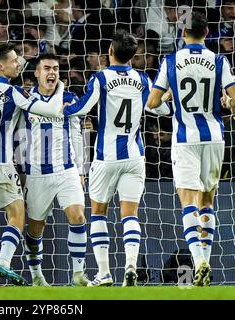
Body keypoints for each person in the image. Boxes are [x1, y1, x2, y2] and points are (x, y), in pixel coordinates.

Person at [146, 11, 235, 286]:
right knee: (207, 203)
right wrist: (227, 103)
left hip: (185, 140)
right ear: (207, 33)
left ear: (182, 33)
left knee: (188, 203)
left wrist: (167, 95)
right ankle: (207, 261)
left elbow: (152, 103)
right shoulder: (218, 60)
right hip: (214, 138)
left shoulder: (171, 61)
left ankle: (198, 260)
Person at [63, 29, 164, 287]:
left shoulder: (101, 78)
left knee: (98, 214)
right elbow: (159, 108)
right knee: (130, 214)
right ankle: (131, 265)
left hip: (106, 158)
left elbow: (83, 108)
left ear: (110, 52)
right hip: (134, 156)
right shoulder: (143, 79)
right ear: (133, 56)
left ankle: (105, 273)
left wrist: (63, 109)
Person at [0, 42, 65, 286]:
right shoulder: (14, 92)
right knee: (17, 215)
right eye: (13, 61)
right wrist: (60, 86)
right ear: (0, 66)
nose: (18, 64)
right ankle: (4, 262)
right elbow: (51, 109)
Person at [22, 53, 88, 287]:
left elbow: (79, 134)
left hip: (66, 170)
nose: (52, 73)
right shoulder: (26, 99)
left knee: (78, 215)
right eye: (47, 68)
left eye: (56, 69)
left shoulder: (70, 98)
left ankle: (78, 275)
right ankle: (37, 275)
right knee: (35, 229)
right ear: (37, 73)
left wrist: (81, 169)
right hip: (37, 174)